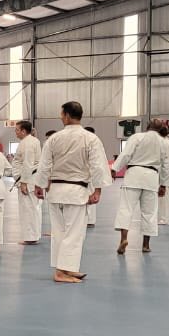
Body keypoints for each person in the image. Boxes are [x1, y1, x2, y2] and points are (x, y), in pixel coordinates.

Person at [35, 101, 109, 284]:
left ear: (67, 116)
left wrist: (39, 185)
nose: (61, 117)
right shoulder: (90, 139)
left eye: (61, 114)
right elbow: (98, 166)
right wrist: (97, 190)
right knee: (74, 233)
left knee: (59, 232)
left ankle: (65, 268)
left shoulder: (53, 139)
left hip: (56, 191)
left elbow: (44, 165)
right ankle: (62, 271)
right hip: (76, 192)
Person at [111, 119, 167, 256]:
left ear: (147, 126)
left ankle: (124, 239)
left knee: (126, 209)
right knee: (149, 213)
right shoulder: (164, 142)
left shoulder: (137, 137)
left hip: (133, 175)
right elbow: (166, 164)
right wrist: (164, 184)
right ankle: (146, 245)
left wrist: (114, 169)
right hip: (151, 177)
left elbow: (126, 154)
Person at [11, 120, 42, 245]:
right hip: (31, 178)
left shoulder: (28, 143)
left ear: (23, 131)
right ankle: (34, 235)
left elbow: (28, 163)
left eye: (17, 130)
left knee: (28, 209)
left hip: (28, 180)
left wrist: (24, 182)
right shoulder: (32, 141)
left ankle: (30, 238)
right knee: (33, 208)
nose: (15, 132)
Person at [84, 127, 100, 228]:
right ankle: (89, 220)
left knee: (90, 195)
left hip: (91, 173)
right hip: (87, 173)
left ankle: (89, 221)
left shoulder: (92, 143)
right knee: (88, 196)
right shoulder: (94, 142)